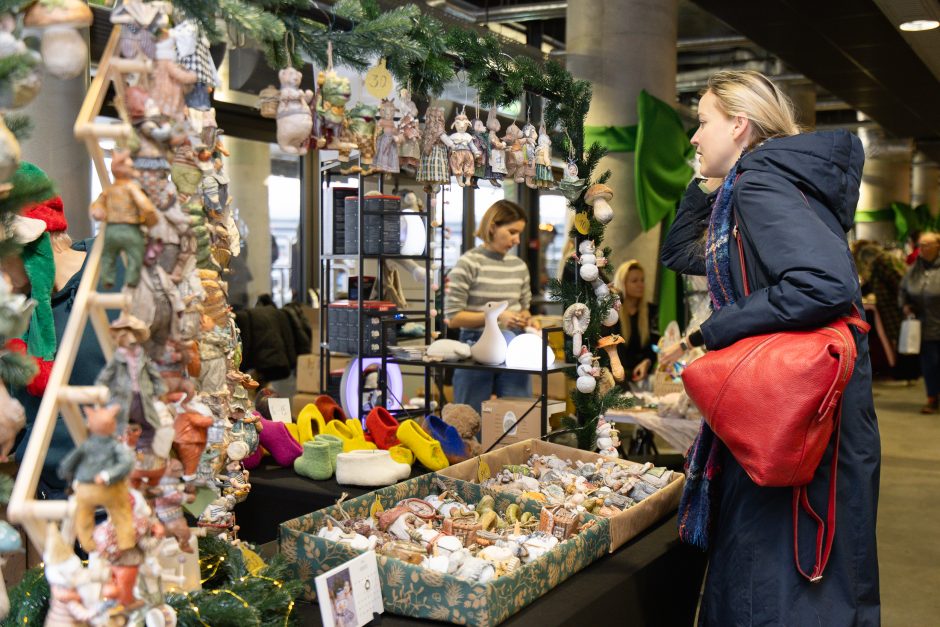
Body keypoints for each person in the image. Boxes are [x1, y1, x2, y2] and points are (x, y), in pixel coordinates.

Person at [658, 70, 879, 625]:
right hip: (798, 409)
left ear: (739, 125)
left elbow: (826, 286)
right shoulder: (750, 187)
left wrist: (716, 328)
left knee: (781, 577)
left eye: (702, 123)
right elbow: (683, 252)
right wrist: (701, 181)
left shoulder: (760, 184)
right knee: (791, 573)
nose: (693, 137)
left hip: (795, 413)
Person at [444, 200, 533, 412]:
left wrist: (525, 318)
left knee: (519, 419)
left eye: (519, 233)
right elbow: (454, 316)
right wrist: (495, 317)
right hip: (474, 347)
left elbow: (525, 307)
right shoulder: (468, 263)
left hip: (514, 348)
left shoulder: (519, 267)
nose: (517, 240)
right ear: (493, 226)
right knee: (468, 420)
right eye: (512, 232)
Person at [900, 231, 940, 413]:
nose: (922, 249)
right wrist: (905, 305)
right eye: (921, 245)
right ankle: (932, 398)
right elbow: (903, 290)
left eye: (927, 245)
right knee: (929, 365)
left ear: (937, 246)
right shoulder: (915, 269)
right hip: (924, 326)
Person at [612, 260, 658, 387]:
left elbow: (655, 345)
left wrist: (648, 361)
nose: (640, 285)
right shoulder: (612, 314)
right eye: (634, 281)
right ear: (622, 284)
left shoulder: (651, 311)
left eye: (642, 280)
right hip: (616, 379)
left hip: (642, 378)